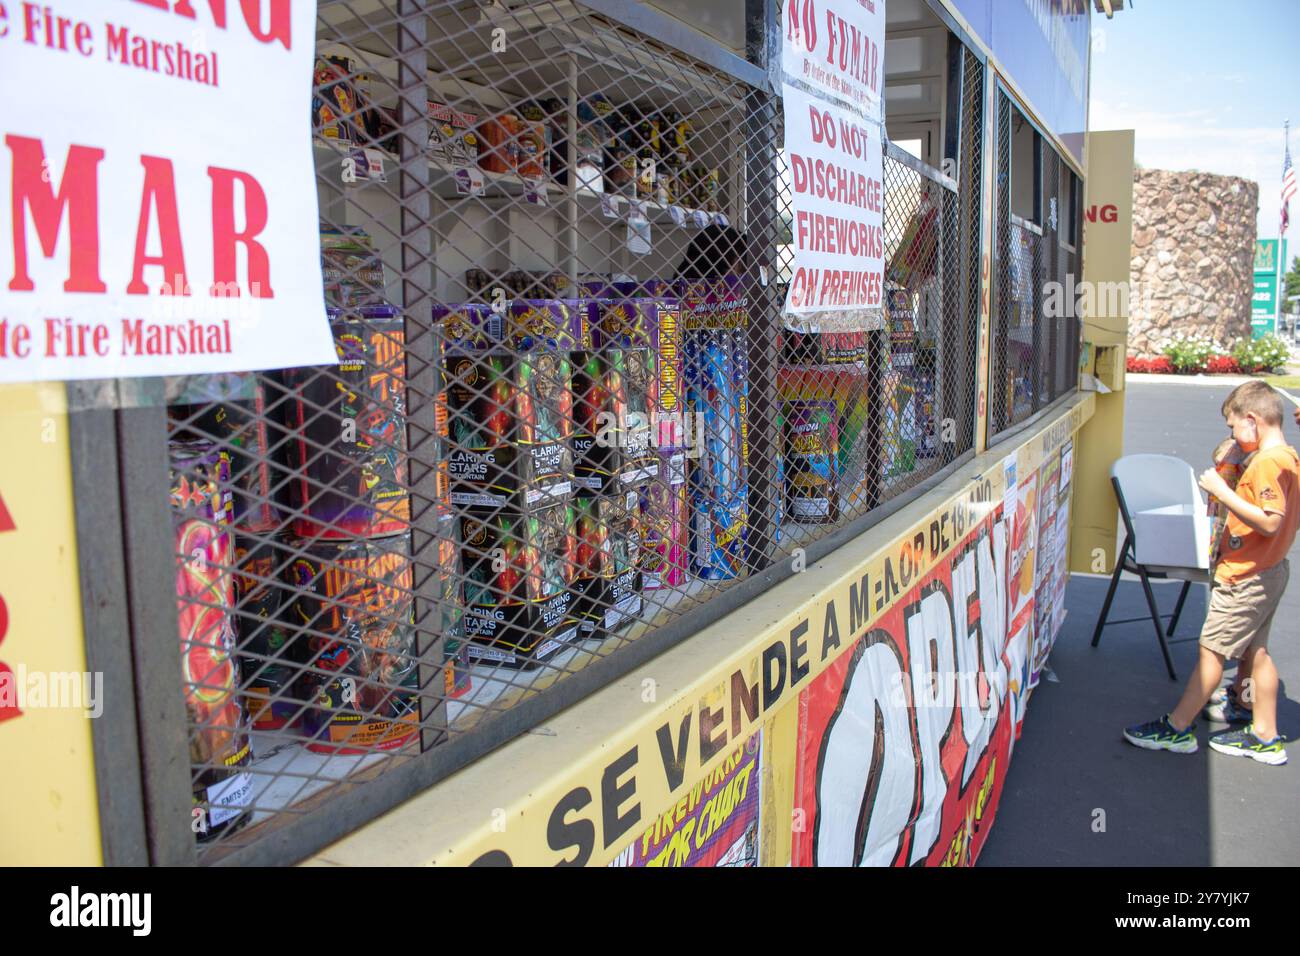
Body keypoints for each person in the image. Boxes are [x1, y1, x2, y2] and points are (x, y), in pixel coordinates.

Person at [1123, 380, 1298, 765]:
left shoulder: (1268, 464)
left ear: (1253, 420)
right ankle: (1264, 732)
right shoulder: (1287, 458)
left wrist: (1223, 490)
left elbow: (1270, 521)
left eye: (1234, 426)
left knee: (1212, 651)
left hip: (1246, 576)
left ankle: (1177, 728)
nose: (1232, 434)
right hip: (1269, 569)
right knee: (1258, 652)